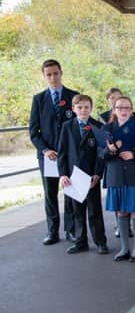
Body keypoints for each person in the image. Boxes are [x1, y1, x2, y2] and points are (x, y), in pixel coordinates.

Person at [29, 59, 78, 245]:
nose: (52, 77)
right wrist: (45, 149)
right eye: (48, 74)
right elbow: (34, 132)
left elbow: (78, 126)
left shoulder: (74, 97)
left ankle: (71, 230)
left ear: (61, 72)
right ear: (44, 76)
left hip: (68, 155)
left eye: (55, 73)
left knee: (69, 192)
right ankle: (52, 231)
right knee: (50, 194)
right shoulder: (38, 100)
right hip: (48, 156)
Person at [57, 94, 108, 255]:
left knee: (94, 210)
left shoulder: (98, 126)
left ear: (91, 108)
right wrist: (62, 174)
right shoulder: (67, 126)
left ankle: (101, 242)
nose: (83, 110)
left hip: (91, 176)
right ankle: (80, 241)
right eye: (79, 107)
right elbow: (62, 152)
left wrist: (97, 174)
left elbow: (101, 153)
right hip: (73, 176)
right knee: (77, 211)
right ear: (73, 109)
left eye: (86, 107)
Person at [102, 96, 135, 262]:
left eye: (127, 108)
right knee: (121, 211)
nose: (123, 111)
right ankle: (124, 248)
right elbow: (102, 155)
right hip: (116, 175)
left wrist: (133, 154)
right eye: (120, 108)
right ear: (114, 110)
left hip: (134, 174)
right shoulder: (107, 128)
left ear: (131, 110)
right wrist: (112, 149)